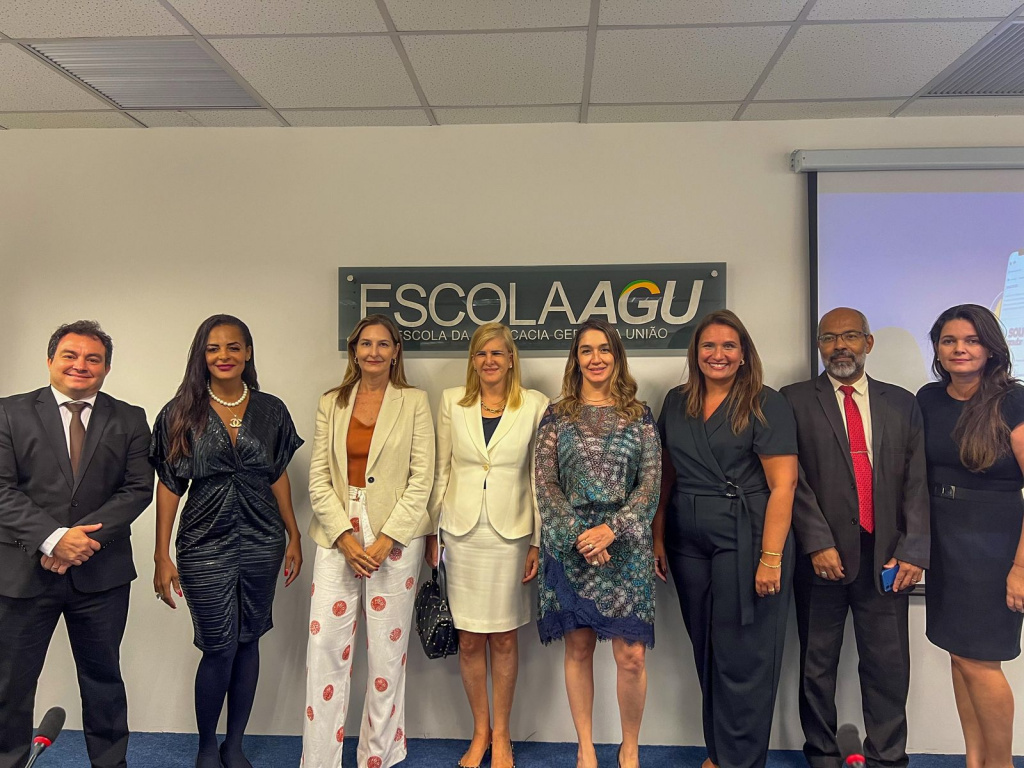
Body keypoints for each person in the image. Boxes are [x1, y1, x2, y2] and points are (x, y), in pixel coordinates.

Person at [151, 314, 304, 768]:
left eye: (233, 347)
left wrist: (293, 533)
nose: (224, 356)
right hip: (203, 540)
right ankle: (206, 747)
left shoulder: (272, 410)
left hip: (262, 537)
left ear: (248, 352)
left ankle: (233, 745)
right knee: (218, 644)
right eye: (213, 348)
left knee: (248, 639)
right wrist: (161, 555)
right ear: (202, 355)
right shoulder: (180, 412)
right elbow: (169, 485)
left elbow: (277, 474)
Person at [0, 320, 153, 768]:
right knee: (10, 684)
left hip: (101, 574)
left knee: (104, 681)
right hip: (22, 572)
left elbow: (137, 489)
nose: (80, 365)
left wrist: (78, 542)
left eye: (93, 358)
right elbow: (2, 490)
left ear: (106, 368)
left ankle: (109, 763)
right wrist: (53, 540)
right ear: (51, 360)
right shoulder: (8, 413)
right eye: (70, 355)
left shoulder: (129, 418)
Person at [780, 307, 928, 768]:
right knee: (816, 665)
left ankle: (887, 757)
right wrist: (816, 542)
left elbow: (917, 482)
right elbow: (791, 480)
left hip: (886, 558)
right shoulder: (793, 400)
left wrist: (913, 550)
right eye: (829, 338)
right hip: (820, 557)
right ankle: (822, 754)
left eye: (849, 336)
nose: (839, 346)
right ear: (819, 345)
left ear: (868, 342)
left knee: (888, 666)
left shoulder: (902, 402)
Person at [653, 309, 797, 768]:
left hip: (747, 535)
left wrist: (771, 557)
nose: (718, 354)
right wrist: (657, 535)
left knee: (743, 654)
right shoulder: (676, 401)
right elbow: (666, 475)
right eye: (709, 345)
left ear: (744, 354)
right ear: (695, 353)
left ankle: (740, 761)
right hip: (686, 539)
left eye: (729, 346)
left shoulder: (766, 402)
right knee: (708, 649)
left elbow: (784, 485)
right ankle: (719, 754)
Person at [302, 314, 434, 768]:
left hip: (395, 535)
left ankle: (380, 755)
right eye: (365, 344)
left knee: (387, 652)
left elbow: (422, 478)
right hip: (336, 532)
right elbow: (319, 477)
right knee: (325, 648)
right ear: (354, 351)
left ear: (396, 351)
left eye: (382, 344)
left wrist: (386, 540)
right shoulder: (331, 402)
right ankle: (319, 759)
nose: (373, 352)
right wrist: (343, 536)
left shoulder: (414, 401)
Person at [535, 318, 661, 768]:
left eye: (604, 349)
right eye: (586, 350)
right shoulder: (557, 415)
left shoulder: (640, 416)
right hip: (572, 547)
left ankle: (630, 747)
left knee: (631, 656)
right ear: (576, 359)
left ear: (617, 356)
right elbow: (546, 484)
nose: (596, 358)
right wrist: (580, 536)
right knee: (579, 647)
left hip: (626, 548)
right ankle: (585, 747)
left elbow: (650, 485)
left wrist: (612, 529)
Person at [426, 323, 548, 768]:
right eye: (481, 354)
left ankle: (502, 736)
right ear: (473, 361)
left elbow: (539, 477)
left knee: (504, 638)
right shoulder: (452, 402)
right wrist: (432, 532)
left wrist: (537, 540)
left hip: (510, 535)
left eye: (498, 353)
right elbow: (441, 470)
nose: (490, 361)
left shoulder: (534, 405)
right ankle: (480, 731)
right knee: (470, 640)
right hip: (460, 534)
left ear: (511, 359)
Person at [918, 304, 1024, 768]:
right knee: (959, 657)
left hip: (993, 546)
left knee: (981, 661)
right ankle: (975, 761)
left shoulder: (1013, 401)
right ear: (938, 348)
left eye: (971, 340)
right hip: (945, 541)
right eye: (949, 340)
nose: (959, 349)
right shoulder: (927, 398)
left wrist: (1021, 567)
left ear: (991, 348)